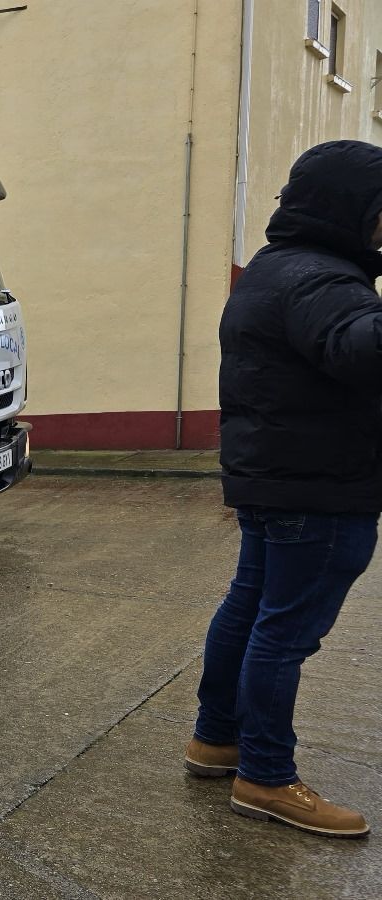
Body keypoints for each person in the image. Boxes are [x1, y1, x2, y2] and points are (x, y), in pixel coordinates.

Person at [186, 140, 382, 838]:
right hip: (321, 487)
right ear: (349, 209)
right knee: (284, 633)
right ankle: (266, 778)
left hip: (275, 478)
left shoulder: (275, 270)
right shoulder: (324, 281)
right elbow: (362, 350)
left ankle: (217, 739)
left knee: (251, 609)